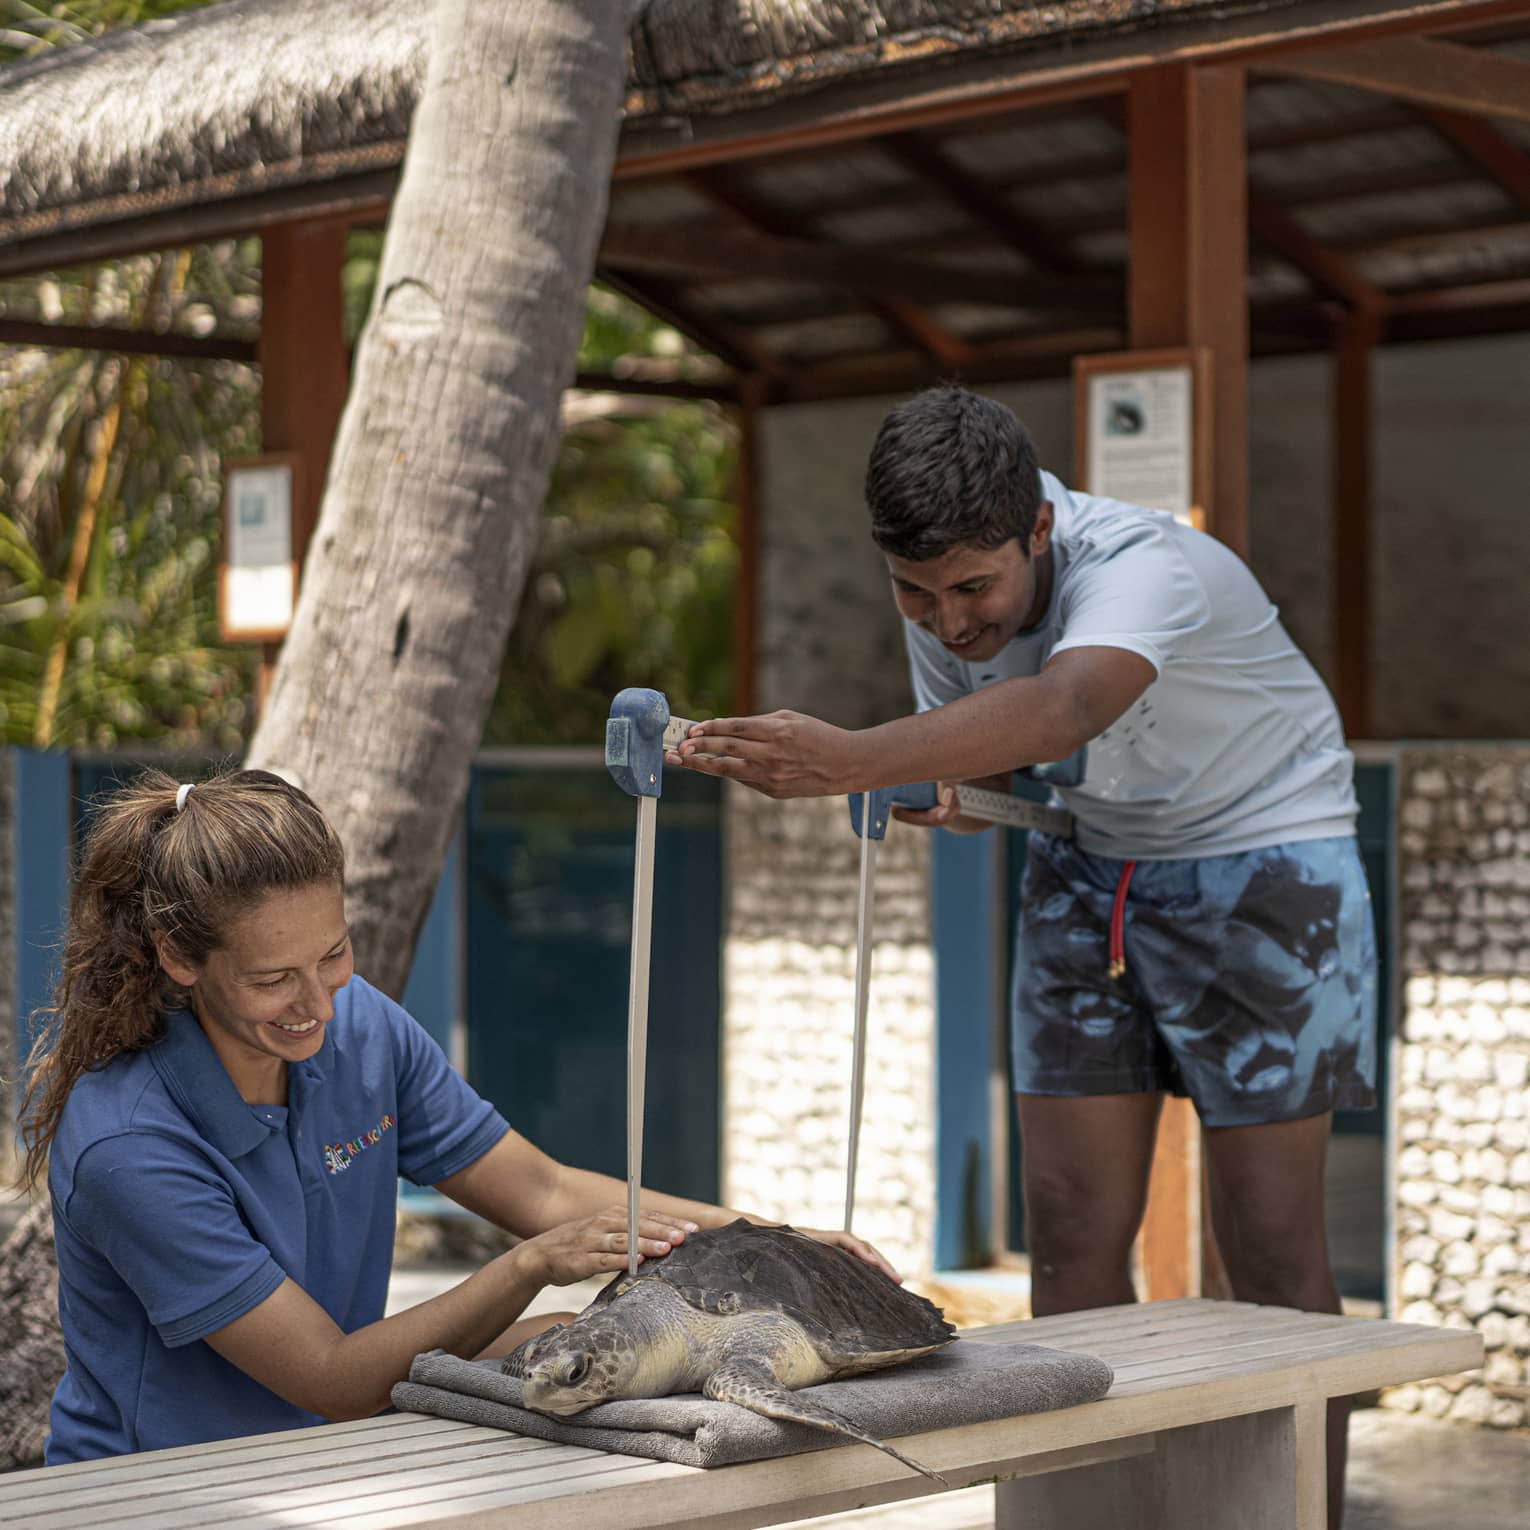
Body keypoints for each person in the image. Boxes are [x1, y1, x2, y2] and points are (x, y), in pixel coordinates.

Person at [669, 384, 1376, 1529]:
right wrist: (944, 793)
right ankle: (1086, 1516)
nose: (949, 623)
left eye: (973, 589)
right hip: (1089, 863)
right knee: (1069, 1225)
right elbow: (997, 763)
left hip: (1267, 867)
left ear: (1039, 529)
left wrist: (848, 757)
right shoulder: (949, 601)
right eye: (916, 592)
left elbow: (1064, 706)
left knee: (1270, 1242)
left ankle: (1299, 1516)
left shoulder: (1147, 562)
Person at [16, 767, 893, 1464]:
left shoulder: (362, 1029)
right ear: (178, 956)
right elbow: (331, 1377)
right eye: (271, 978)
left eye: (334, 953)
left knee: (591, 1344)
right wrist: (527, 1270)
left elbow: (544, 1188)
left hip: (340, 1453)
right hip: (161, 1488)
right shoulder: (127, 1143)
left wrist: (780, 1241)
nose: (316, 1004)